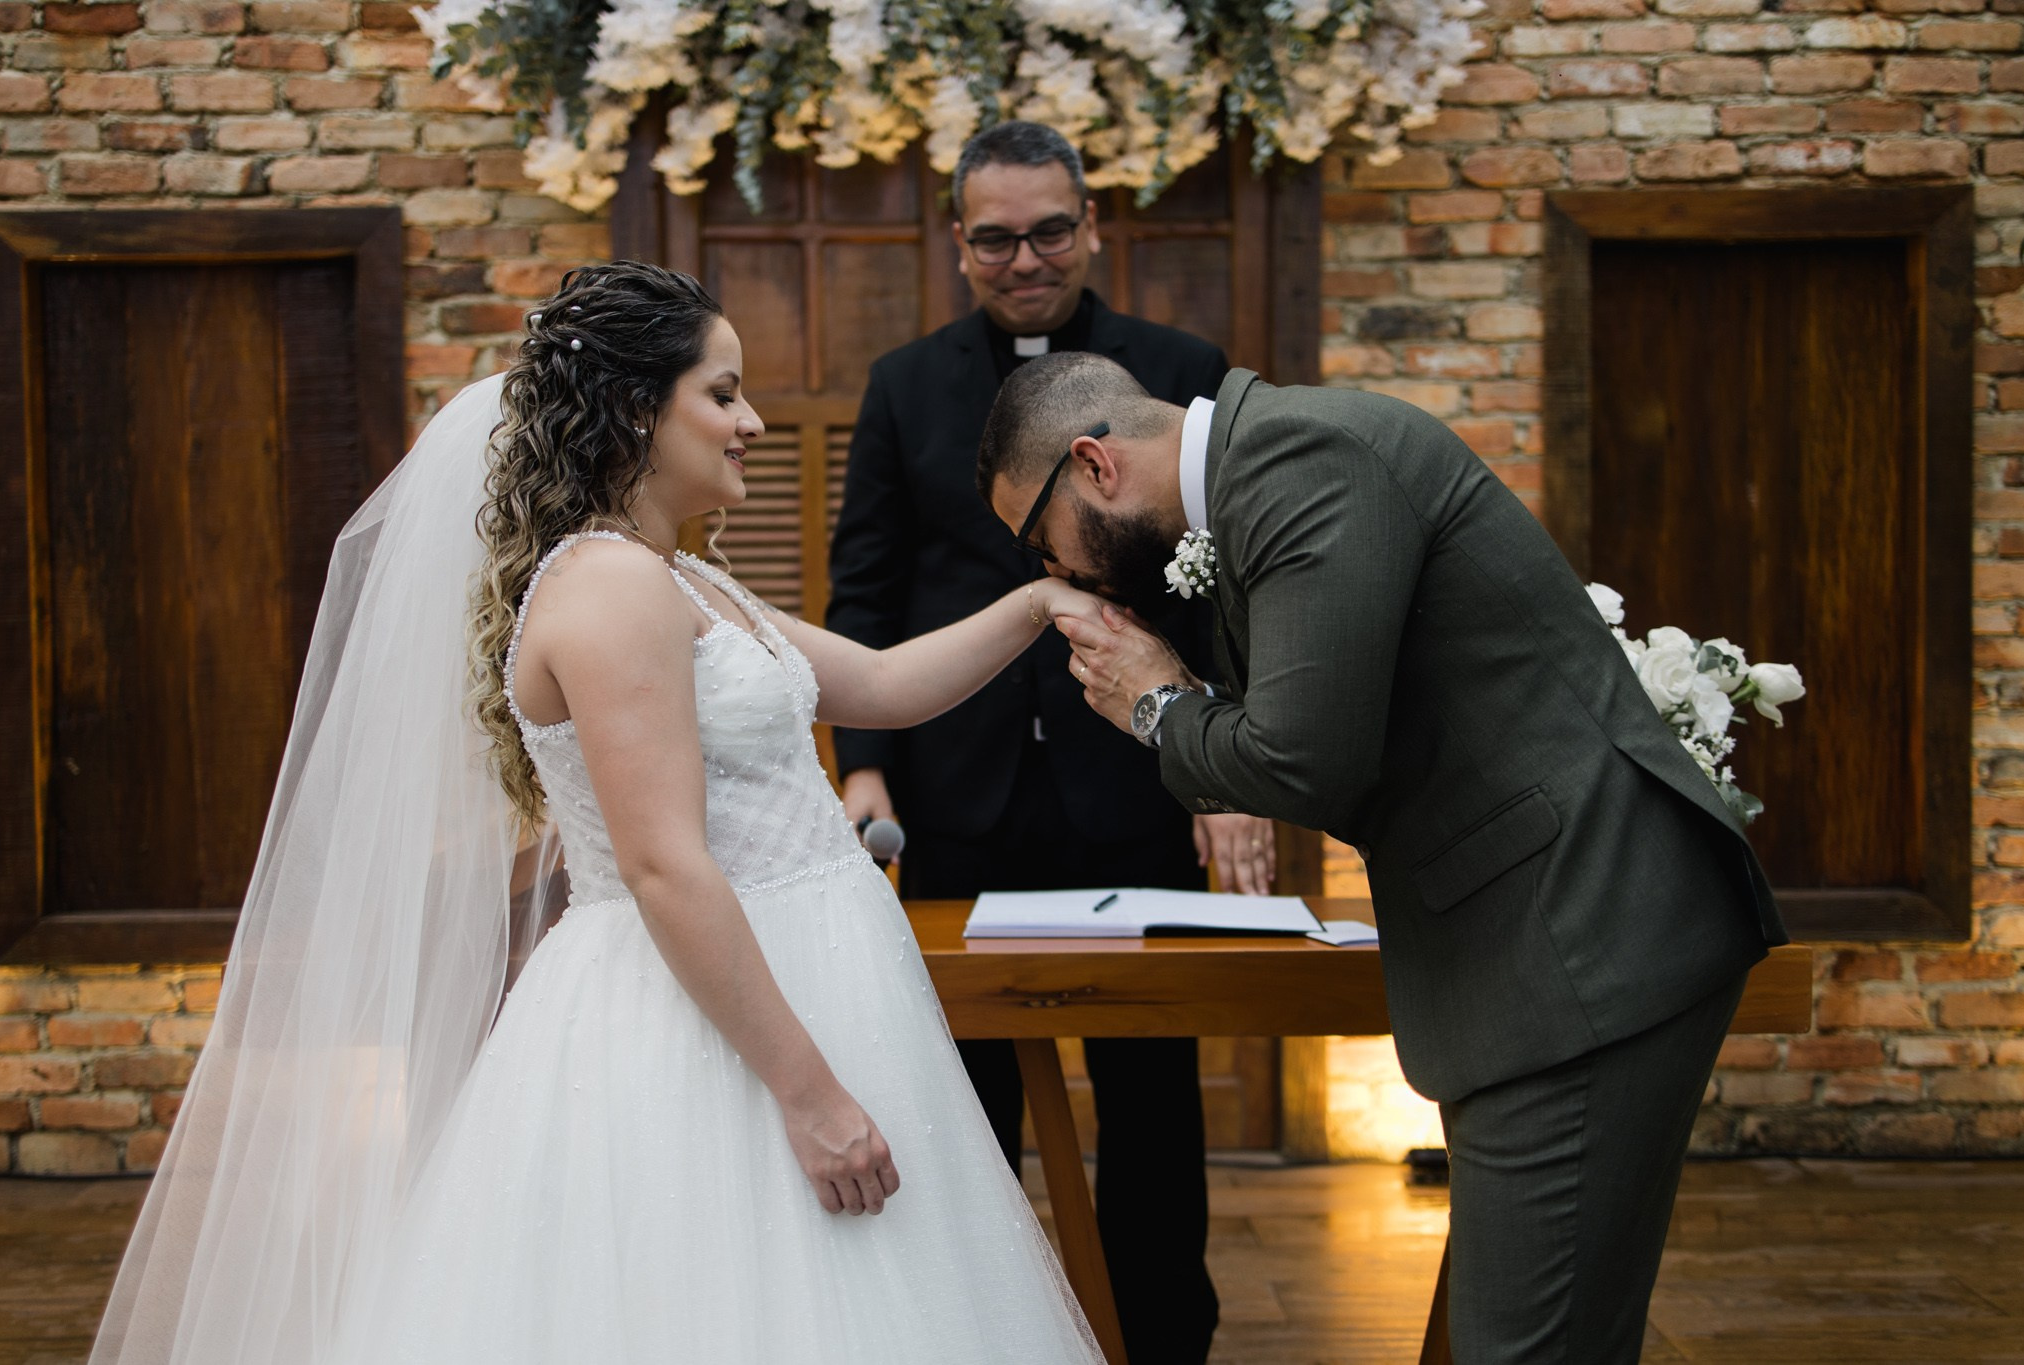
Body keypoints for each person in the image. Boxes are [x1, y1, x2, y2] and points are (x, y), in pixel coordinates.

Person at [92, 264, 1112, 1364]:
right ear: (636, 407)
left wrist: (1040, 601)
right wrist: (810, 1093)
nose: (752, 422)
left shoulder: (679, 578)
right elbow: (664, 866)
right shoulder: (612, 589)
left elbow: (883, 682)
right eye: (720, 394)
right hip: (712, 1024)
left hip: (809, 971)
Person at [976, 353, 1790, 1365]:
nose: (1055, 573)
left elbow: (1302, 764)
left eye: (1037, 541)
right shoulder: (1256, 475)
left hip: (1577, 938)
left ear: (1093, 464)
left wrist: (1157, 707)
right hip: (1539, 941)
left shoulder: (1294, 462)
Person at [826, 121, 1262, 1364]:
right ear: (956, 243)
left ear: (1091, 226)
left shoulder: (1178, 368)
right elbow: (865, 591)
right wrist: (863, 761)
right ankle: (974, 1338)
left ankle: (1162, 1342)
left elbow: (1229, 589)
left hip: (1139, 782)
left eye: (1050, 231)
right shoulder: (903, 384)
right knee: (967, 1111)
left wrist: (1226, 766)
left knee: (1149, 1113)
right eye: (996, 237)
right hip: (958, 800)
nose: (1027, 259)